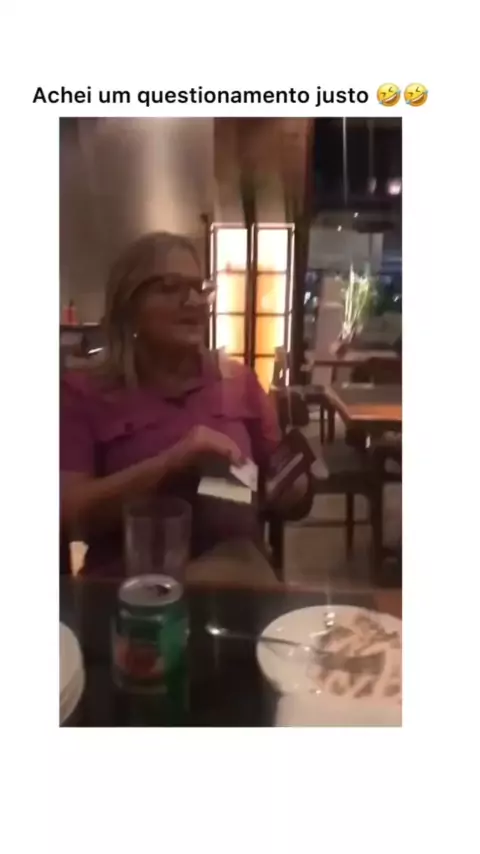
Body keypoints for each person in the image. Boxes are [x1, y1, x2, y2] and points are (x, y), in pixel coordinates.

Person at [60, 231, 309, 575]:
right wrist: (174, 462)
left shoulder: (240, 382)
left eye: (199, 288)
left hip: (234, 583)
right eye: (169, 287)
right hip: (126, 590)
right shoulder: (83, 392)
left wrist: (294, 487)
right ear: (129, 305)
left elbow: (277, 487)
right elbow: (67, 515)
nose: (193, 301)